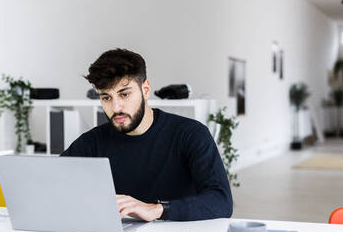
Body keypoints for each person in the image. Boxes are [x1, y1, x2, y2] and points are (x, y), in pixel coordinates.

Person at [61, 49, 233, 221]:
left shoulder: (191, 134)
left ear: (145, 89)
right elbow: (51, 183)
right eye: (106, 97)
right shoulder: (92, 142)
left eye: (124, 94)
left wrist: (156, 209)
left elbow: (221, 201)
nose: (116, 107)